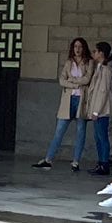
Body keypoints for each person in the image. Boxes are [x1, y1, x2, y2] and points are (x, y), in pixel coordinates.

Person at [34, 37, 93, 170]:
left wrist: (72, 81)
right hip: (68, 100)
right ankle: (48, 159)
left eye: (80, 47)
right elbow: (62, 80)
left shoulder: (89, 62)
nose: (77, 49)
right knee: (59, 130)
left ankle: (76, 161)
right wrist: (75, 82)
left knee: (80, 131)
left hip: (81, 100)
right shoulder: (68, 63)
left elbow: (87, 79)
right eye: (75, 47)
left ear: (84, 48)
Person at [83, 41, 112, 175]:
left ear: (101, 53)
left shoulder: (106, 70)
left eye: (95, 51)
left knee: (102, 137)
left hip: (102, 110)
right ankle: (100, 162)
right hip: (97, 108)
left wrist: (96, 110)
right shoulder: (100, 68)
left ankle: (104, 163)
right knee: (98, 137)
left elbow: (103, 92)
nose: (93, 54)